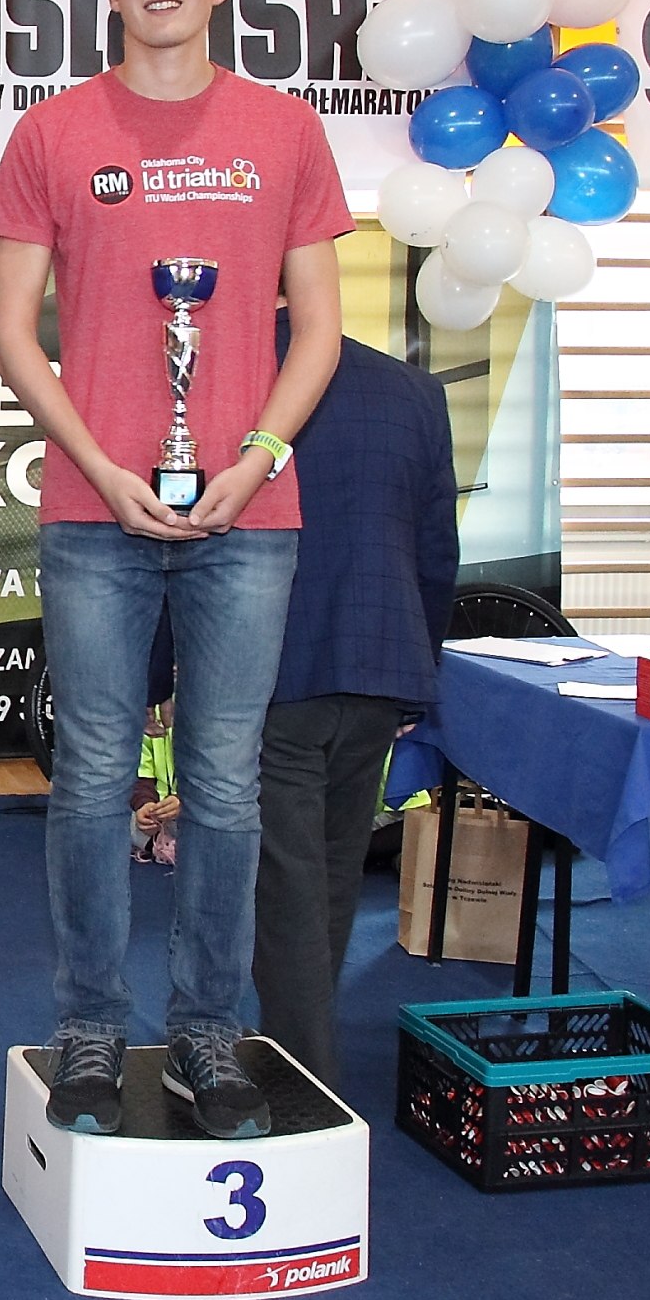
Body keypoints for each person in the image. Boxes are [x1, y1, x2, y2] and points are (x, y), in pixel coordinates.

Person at [0, 0, 348, 1139]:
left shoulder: (286, 131)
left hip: (251, 510)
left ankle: (206, 1029)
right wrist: (98, 461)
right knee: (92, 777)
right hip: (95, 509)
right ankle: (91, 1025)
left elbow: (322, 330)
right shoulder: (52, 131)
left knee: (226, 785)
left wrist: (255, 458)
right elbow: (10, 329)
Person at [252, 323, 457, 1087]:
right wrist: (417, 670)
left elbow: (188, 530)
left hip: (270, 662)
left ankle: (302, 1074)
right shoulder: (414, 391)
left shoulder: (231, 373)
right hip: (380, 657)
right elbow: (437, 549)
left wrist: (160, 671)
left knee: (287, 879)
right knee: (333, 871)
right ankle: (304, 1047)